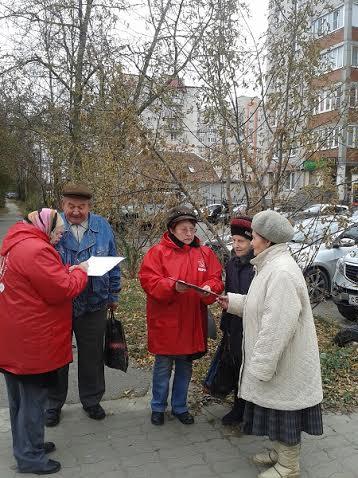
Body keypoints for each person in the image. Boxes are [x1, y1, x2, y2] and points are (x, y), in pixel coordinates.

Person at [217, 210, 323, 478]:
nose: (250, 242)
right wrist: (234, 302)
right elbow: (263, 307)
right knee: (276, 410)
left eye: (253, 237)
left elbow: (277, 326)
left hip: (283, 361)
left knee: (284, 413)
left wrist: (261, 365)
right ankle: (280, 453)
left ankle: (289, 465)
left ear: (267, 240)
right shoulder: (269, 266)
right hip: (278, 360)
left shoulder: (281, 272)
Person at [0, 208, 88, 475]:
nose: (60, 236)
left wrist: (63, 271)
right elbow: (62, 289)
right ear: (45, 226)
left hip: (14, 337)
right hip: (32, 341)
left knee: (19, 400)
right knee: (32, 401)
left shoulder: (15, 243)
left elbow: (39, 281)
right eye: (58, 231)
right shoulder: (36, 250)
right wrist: (81, 272)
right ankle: (30, 458)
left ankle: (29, 444)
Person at [139, 206, 224, 426]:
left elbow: (216, 278)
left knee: (186, 367)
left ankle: (180, 407)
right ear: (172, 230)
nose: (189, 233)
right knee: (163, 367)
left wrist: (209, 287)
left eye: (192, 229)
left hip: (192, 322)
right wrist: (172, 286)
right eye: (184, 229)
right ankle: (158, 406)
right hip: (166, 321)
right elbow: (148, 281)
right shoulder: (157, 252)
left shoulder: (204, 253)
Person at [45, 183, 121, 426]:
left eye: (81, 207)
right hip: (60, 304)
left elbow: (113, 262)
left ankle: (91, 400)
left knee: (92, 356)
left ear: (89, 207)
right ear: (62, 204)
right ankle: (53, 403)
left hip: (95, 302)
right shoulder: (52, 225)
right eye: (71, 206)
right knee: (57, 356)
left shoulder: (102, 226)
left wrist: (113, 295)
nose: (76, 211)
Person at [220, 216, 255, 426]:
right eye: (233, 241)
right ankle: (238, 407)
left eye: (241, 241)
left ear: (252, 241)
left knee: (250, 367)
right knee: (236, 365)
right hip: (234, 324)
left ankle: (252, 412)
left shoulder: (257, 265)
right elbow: (229, 290)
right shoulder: (232, 264)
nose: (236, 245)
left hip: (252, 325)